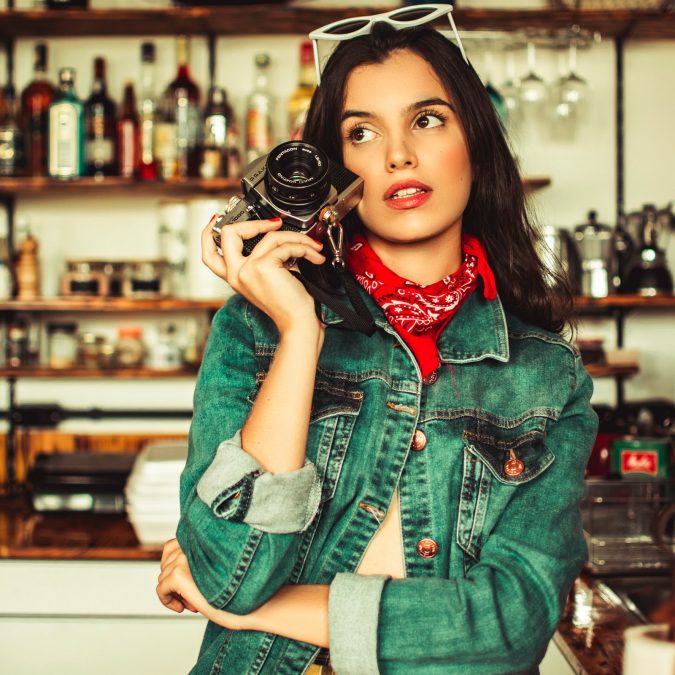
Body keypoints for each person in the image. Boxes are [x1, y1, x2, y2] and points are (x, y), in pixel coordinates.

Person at [156, 6, 598, 674]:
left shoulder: (547, 375)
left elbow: (509, 625)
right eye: (361, 132)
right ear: (334, 174)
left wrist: (254, 610)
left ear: (474, 143)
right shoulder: (255, 331)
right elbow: (228, 571)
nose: (397, 154)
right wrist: (300, 332)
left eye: (426, 119)